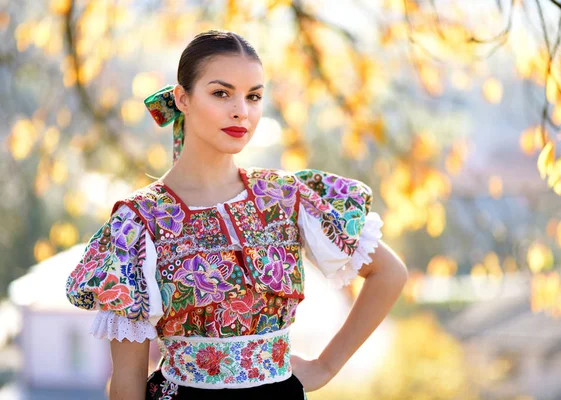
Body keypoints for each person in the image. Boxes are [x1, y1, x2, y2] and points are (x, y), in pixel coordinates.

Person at [65, 30, 408, 400]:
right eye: (221, 93)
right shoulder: (139, 222)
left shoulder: (284, 197)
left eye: (254, 96)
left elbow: (388, 273)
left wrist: (324, 367)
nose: (241, 111)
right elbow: (128, 378)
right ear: (183, 98)